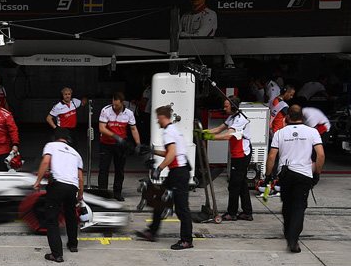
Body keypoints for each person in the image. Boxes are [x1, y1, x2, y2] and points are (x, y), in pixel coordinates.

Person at [264, 104, 324, 253]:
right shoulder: (312, 132)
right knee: (299, 207)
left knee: (287, 204)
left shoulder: (280, 133)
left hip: (286, 174)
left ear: (287, 117)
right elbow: (321, 155)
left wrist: (267, 176)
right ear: (302, 117)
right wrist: (317, 173)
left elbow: (272, 156)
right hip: (303, 175)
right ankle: (293, 240)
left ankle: (288, 231)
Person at [136, 105, 193, 250]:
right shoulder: (173, 130)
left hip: (179, 173)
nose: (157, 121)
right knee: (159, 201)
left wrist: (159, 169)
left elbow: (172, 154)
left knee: (181, 208)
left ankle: (186, 240)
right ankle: (152, 232)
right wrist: (153, 150)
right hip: (177, 172)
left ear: (163, 117)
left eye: (157, 118)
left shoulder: (168, 132)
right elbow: (170, 152)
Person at [33, 128, 84, 263]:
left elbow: (45, 162)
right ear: (68, 139)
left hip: (57, 186)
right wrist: (80, 196)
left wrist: (38, 181)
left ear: (54, 137)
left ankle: (56, 254)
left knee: (52, 219)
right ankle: (73, 245)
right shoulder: (76, 154)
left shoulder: (51, 146)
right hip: (72, 187)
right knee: (71, 215)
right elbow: (80, 178)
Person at [200, 97, 253, 221]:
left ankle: (232, 213)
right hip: (237, 153)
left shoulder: (240, 119)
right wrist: (203, 132)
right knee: (242, 183)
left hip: (242, 154)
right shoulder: (232, 117)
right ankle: (247, 212)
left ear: (233, 107)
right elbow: (219, 129)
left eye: (226, 106)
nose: (224, 108)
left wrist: (210, 138)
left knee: (234, 184)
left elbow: (228, 135)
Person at [97, 92, 142, 201]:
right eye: (113, 104)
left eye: (117, 105)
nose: (114, 107)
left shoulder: (129, 113)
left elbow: (133, 129)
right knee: (103, 169)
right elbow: (102, 128)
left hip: (121, 145)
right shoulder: (105, 110)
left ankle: (117, 193)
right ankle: (102, 193)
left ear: (122, 103)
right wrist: (115, 136)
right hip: (106, 144)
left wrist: (138, 144)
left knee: (120, 169)